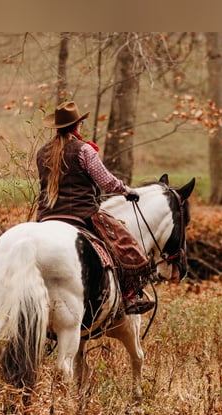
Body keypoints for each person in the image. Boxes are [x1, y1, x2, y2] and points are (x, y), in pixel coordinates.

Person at [35, 100, 154, 315]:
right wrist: (127, 191)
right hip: (81, 213)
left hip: (46, 216)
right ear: (77, 125)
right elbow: (107, 182)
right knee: (124, 244)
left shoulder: (42, 152)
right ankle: (129, 297)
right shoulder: (84, 150)